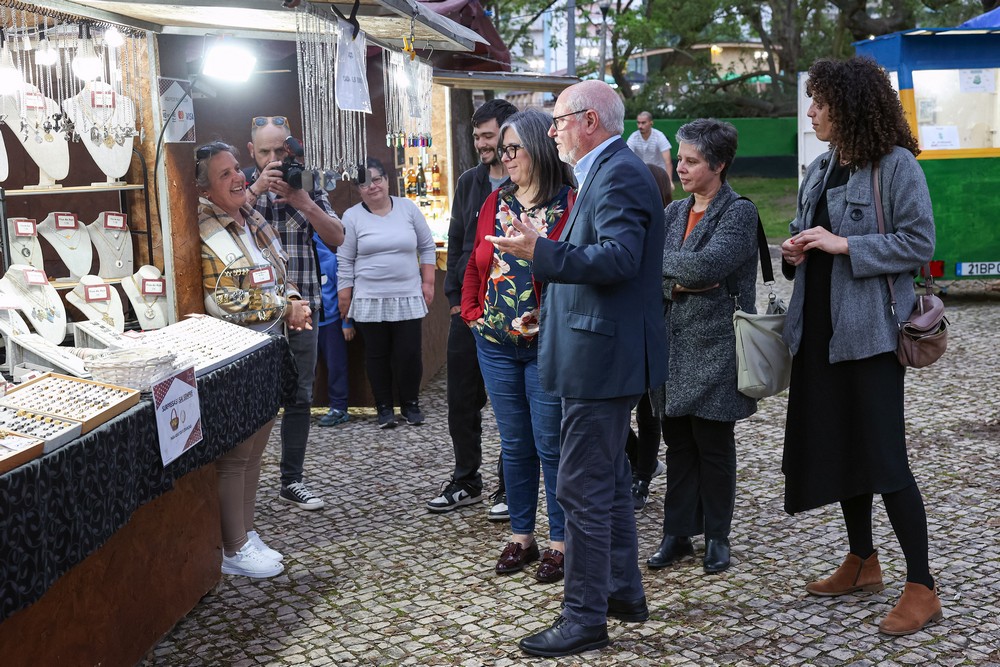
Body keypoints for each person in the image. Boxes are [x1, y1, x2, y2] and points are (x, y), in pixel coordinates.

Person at [487, 80, 667, 658]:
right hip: (594, 351)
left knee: (580, 487)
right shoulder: (604, 171)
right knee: (608, 480)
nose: (551, 131)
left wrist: (537, 251)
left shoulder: (617, 172)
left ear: (589, 120)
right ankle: (622, 592)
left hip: (602, 359)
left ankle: (583, 616)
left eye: (558, 120)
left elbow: (617, 259)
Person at [780, 56, 939, 636]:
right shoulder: (821, 168)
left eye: (820, 102)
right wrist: (794, 255)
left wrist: (845, 244)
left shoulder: (896, 167)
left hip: (871, 336)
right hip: (819, 335)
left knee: (883, 456)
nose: (812, 111)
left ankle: (921, 585)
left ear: (848, 106)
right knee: (841, 448)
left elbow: (919, 241)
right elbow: (810, 243)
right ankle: (863, 560)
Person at [461, 109, 576, 583]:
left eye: (513, 150)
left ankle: (561, 543)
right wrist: (471, 312)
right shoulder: (496, 201)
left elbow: (577, 273)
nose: (504, 158)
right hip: (493, 343)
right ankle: (522, 536)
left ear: (540, 150)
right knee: (514, 444)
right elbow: (476, 259)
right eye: (502, 149)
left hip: (546, 344)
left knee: (551, 444)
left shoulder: (570, 205)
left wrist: (548, 316)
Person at [644, 119, 758, 576]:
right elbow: (678, 276)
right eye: (681, 159)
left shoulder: (739, 213)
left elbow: (709, 266)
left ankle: (717, 536)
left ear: (719, 164)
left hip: (715, 348)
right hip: (672, 346)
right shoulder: (673, 214)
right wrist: (679, 279)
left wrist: (670, 272)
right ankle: (677, 534)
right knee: (677, 443)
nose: (681, 168)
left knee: (713, 442)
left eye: (692, 161)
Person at [195, 140, 313, 578]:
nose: (238, 177)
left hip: (268, 347)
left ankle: (246, 532)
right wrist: (284, 308)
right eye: (224, 174)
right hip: (234, 354)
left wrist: (294, 300)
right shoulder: (206, 227)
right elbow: (220, 298)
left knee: (256, 452)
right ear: (205, 189)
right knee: (235, 456)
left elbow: (280, 272)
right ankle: (234, 547)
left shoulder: (254, 216)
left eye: (236, 170)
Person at [246, 115, 345, 512]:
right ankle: (245, 484)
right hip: (255, 314)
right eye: (265, 151)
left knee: (300, 396)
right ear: (252, 151)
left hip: (304, 307)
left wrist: (304, 201)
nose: (273, 158)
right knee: (253, 399)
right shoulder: (241, 187)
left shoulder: (307, 182)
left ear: (290, 148)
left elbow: (337, 237)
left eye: (279, 150)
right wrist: (254, 188)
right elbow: (217, 220)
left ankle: (292, 480)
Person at [427, 98, 518, 519]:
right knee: (461, 399)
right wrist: (454, 300)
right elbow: (459, 240)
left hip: (515, 313)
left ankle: (509, 487)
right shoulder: (469, 182)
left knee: (509, 402)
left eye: (488, 136)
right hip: (468, 310)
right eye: (477, 136)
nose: (481, 144)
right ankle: (467, 479)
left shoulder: (531, 181)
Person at [337, 158, 436, 428]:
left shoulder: (407, 208)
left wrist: (428, 282)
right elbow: (344, 260)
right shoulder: (352, 216)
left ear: (387, 180)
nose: (372, 187)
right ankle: (383, 408)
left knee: (409, 354)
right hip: (369, 297)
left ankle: (410, 405)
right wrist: (344, 295)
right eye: (364, 183)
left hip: (407, 294)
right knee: (377, 355)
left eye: (377, 179)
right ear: (358, 189)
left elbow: (427, 247)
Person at [626, 162, 673, 511]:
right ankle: (642, 461)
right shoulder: (629, 221)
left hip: (657, 328)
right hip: (629, 326)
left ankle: (642, 475)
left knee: (648, 409)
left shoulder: (667, 222)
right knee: (616, 407)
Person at [314, 233, 351, 427]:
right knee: (304, 368)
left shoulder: (330, 261)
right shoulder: (293, 262)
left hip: (331, 323)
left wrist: (347, 323)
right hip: (306, 323)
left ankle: (339, 407)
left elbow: (344, 293)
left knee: (337, 365)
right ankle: (299, 407)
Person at [627, 111, 675, 191]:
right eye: (638, 123)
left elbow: (668, 161)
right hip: (641, 173)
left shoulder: (659, 136)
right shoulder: (633, 137)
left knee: (662, 199)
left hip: (659, 173)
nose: (640, 126)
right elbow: (627, 158)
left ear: (651, 123)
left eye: (643, 123)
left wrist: (669, 181)